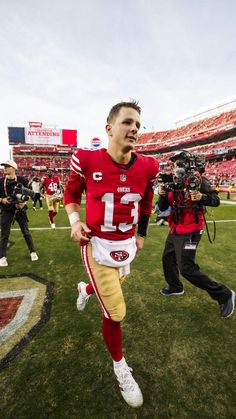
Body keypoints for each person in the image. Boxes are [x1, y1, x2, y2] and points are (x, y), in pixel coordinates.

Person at [64, 101, 159, 408]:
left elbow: (146, 202)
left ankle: (85, 288)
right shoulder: (87, 159)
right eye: (128, 122)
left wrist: (141, 233)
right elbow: (70, 192)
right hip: (97, 245)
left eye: (138, 125)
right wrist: (75, 221)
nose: (134, 129)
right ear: (109, 128)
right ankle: (120, 366)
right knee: (115, 312)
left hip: (126, 245)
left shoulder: (148, 166)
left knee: (113, 289)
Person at [157, 150, 235, 318]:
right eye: (174, 163)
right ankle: (175, 286)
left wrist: (201, 197)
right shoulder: (171, 182)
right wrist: (162, 195)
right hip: (175, 228)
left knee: (187, 268)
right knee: (167, 258)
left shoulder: (199, 181)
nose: (176, 166)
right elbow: (163, 208)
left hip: (192, 230)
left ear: (187, 163)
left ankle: (224, 294)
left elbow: (216, 201)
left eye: (179, 162)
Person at [0, 160, 38, 267]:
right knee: (4, 234)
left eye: (7, 166)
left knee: (26, 232)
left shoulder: (22, 180)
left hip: (20, 210)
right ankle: (2, 256)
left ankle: (32, 251)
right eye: (4, 166)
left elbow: (29, 194)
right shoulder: (0, 181)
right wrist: (2, 200)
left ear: (14, 168)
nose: (5, 168)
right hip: (6, 210)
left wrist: (23, 203)